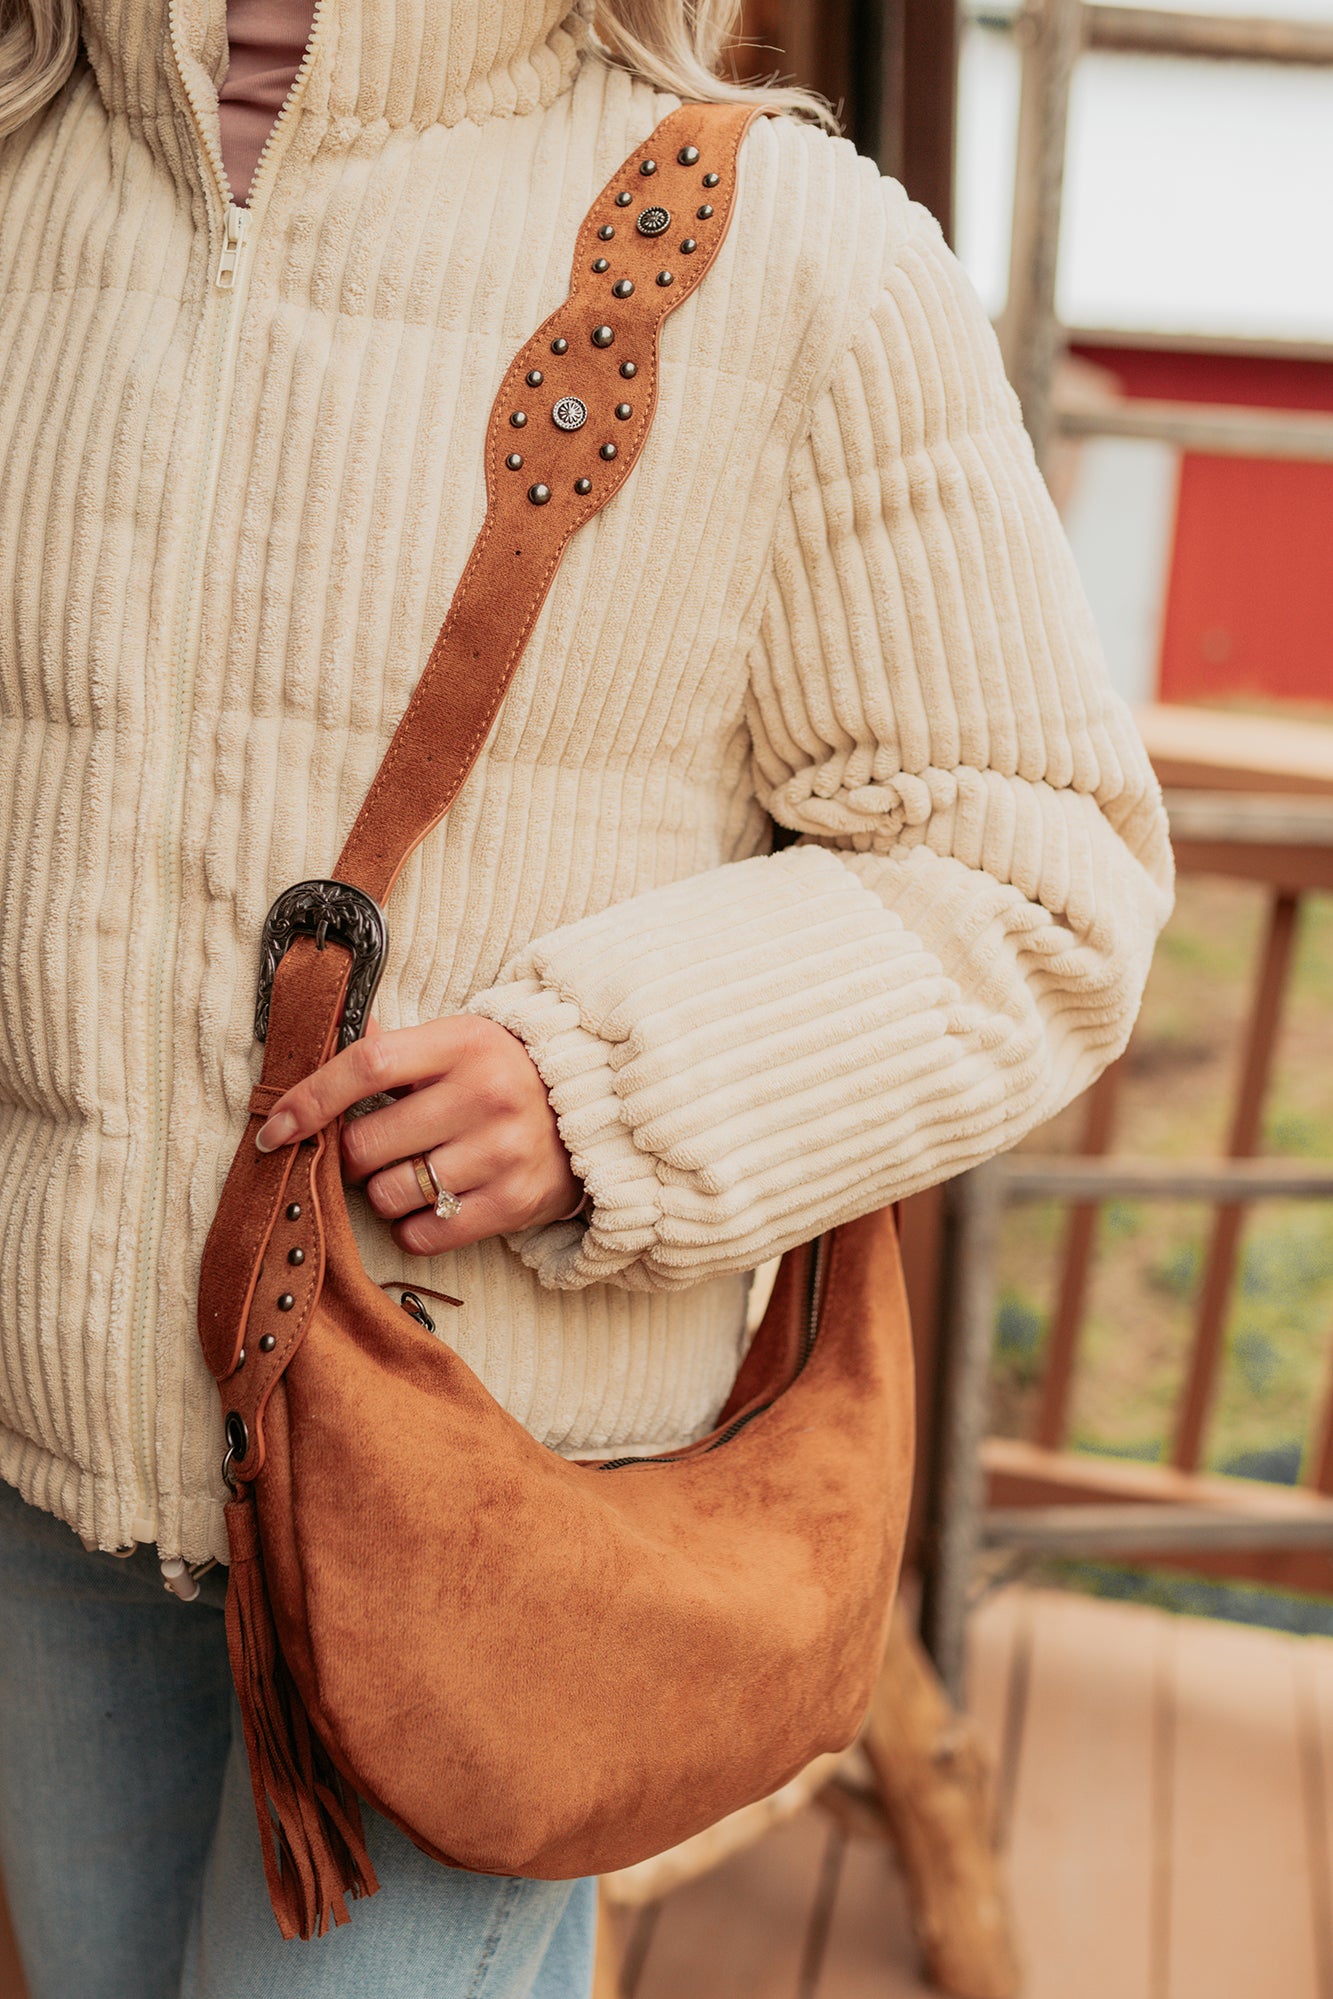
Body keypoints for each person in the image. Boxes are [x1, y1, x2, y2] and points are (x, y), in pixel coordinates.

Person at [0, 0, 1174, 1992]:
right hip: (45, 1456)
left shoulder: (789, 249)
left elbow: (1037, 863)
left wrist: (609, 1077)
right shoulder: (33, 176)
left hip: (487, 1482)